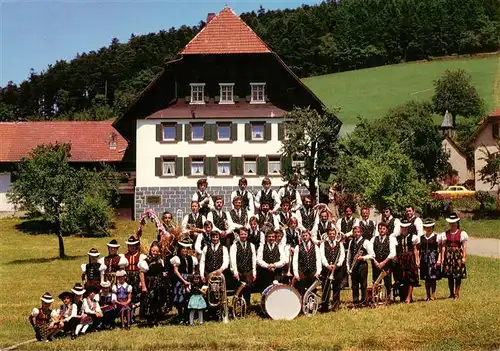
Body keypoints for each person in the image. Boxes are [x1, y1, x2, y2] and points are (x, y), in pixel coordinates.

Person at [441, 212, 468, 299]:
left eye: (454, 222)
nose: (452, 224)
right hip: (449, 255)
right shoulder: (446, 234)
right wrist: (442, 257)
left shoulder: (461, 233)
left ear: (457, 223)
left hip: (457, 255)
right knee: (450, 275)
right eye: (451, 222)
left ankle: (457, 292)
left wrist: (464, 256)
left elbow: (464, 246)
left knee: (458, 275)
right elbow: (444, 246)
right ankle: (451, 293)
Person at [170, 238, 198, 324]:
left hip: (189, 278)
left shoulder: (191, 258)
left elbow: (193, 269)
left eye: (186, 248)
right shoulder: (177, 258)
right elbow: (175, 270)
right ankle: (180, 316)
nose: (184, 250)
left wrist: (192, 278)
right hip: (181, 279)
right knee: (180, 298)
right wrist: (183, 280)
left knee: (188, 298)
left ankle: (187, 316)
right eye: (183, 248)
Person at [139, 242, 167, 326]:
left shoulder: (160, 260)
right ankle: (149, 321)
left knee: (158, 301)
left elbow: (162, 271)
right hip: (150, 283)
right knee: (149, 302)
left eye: (156, 251)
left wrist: (164, 274)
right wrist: (144, 286)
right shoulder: (146, 260)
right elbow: (141, 273)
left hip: (159, 284)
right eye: (153, 251)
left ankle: (156, 319)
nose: (155, 253)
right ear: (150, 250)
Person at [346, 226, 374, 306]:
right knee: (354, 285)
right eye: (355, 232)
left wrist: (363, 257)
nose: (356, 234)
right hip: (353, 266)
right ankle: (355, 301)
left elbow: (372, 255)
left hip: (362, 266)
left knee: (363, 284)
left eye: (358, 232)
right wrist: (348, 267)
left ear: (361, 232)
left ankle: (364, 301)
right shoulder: (351, 242)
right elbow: (349, 256)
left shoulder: (366, 242)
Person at [393, 219, 420, 304]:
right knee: (402, 278)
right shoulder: (397, 238)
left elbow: (415, 250)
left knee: (410, 278)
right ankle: (403, 296)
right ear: (400, 227)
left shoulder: (413, 237)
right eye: (402, 227)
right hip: (401, 259)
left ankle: (409, 296)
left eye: (406, 227)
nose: (404, 229)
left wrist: (417, 260)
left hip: (410, 258)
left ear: (408, 227)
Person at [319, 227, 345, 311]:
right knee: (326, 287)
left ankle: (335, 306)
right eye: (330, 234)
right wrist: (327, 265)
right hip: (326, 269)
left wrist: (337, 265)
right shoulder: (323, 244)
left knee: (336, 288)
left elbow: (342, 256)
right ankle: (324, 306)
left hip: (337, 269)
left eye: (333, 234)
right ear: (328, 235)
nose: (332, 235)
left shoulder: (340, 244)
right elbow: (322, 256)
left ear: (336, 234)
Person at [230, 227, 257, 307]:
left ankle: (247, 307)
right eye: (241, 234)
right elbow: (233, 260)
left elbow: (254, 259)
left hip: (248, 271)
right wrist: (235, 272)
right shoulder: (234, 246)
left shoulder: (251, 245)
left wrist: (254, 272)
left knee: (247, 291)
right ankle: (237, 308)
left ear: (247, 235)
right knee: (238, 290)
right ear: (238, 235)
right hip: (239, 272)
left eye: (245, 234)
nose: (243, 236)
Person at [370, 222, 397, 299]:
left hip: (387, 264)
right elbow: (370, 252)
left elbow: (393, 253)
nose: (381, 230)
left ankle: (388, 298)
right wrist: (376, 262)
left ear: (387, 230)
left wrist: (384, 262)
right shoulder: (373, 239)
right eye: (380, 228)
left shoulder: (390, 239)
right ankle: (376, 298)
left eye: (383, 229)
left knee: (387, 281)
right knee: (376, 282)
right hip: (376, 264)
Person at [123, 235, 146, 319]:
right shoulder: (124, 256)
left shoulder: (141, 256)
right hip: (127, 277)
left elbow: (142, 269)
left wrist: (141, 281)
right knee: (128, 296)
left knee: (137, 295)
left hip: (137, 277)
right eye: (130, 245)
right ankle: (128, 315)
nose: (131, 247)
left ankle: (137, 313)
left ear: (136, 246)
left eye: (133, 245)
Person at [293, 230, 322, 296]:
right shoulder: (298, 247)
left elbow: (318, 260)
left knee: (312, 290)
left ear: (309, 236)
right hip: (302, 272)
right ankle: (303, 305)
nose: (305, 237)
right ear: (301, 237)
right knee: (302, 289)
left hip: (313, 271)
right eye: (303, 236)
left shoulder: (315, 247)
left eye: (306, 235)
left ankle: (312, 305)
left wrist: (318, 272)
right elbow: (295, 261)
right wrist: (296, 274)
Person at [419, 219, 442, 301]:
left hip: (433, 258)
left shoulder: (437, 237)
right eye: (426, 227)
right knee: (426, 278)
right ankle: (427, 295)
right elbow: (419, 250)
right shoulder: (421, 238)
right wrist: (418, 260)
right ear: (424, 228)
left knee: (433, 277)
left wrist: (439, 259)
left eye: (430, 227)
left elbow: (440, 249)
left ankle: (433, 294)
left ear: (432, 227)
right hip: (424, 259)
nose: (428, 229)